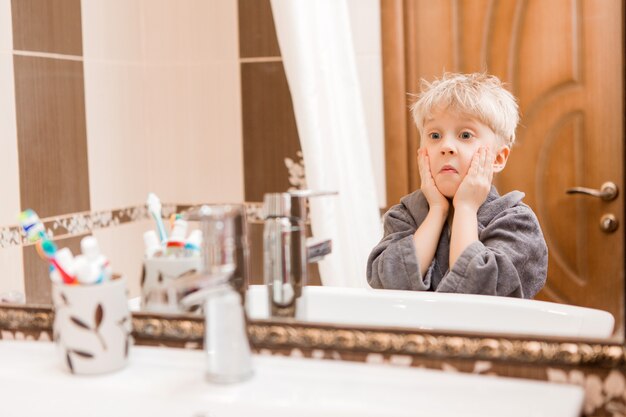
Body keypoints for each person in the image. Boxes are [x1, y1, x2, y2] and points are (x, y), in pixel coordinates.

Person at [367, 72, 547, 298]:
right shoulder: (404, 217)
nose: (447, 146)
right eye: (434, 135)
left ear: (498, 158)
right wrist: (436, 211)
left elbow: (476, 297)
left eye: (465, 135)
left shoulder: (517, 223)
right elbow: (387, 286)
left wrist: (466, 208)